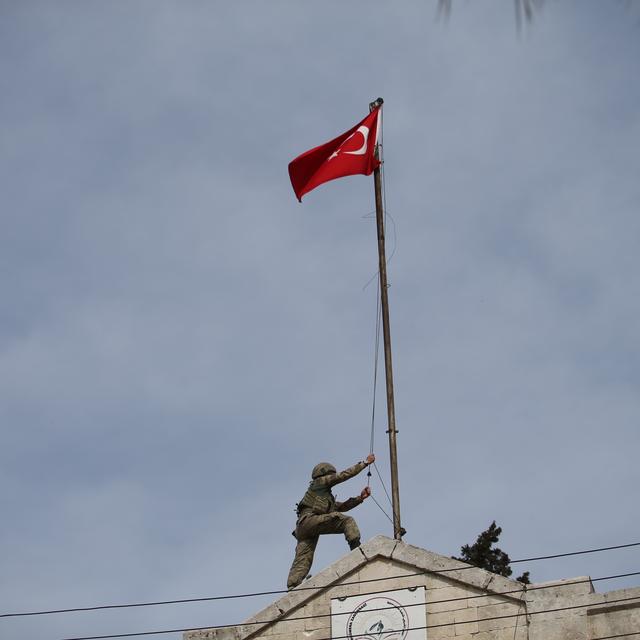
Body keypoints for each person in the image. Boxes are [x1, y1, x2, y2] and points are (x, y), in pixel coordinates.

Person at [287, 453, 375, 589]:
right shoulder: (319, 483)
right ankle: (357, 550)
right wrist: (364, 463)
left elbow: (341, 507)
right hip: (310, 520)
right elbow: (343, 475)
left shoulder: (322, 495)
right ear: (325, 474)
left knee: (304, 557)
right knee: (347, 521)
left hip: (303, 528)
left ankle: (293, 585)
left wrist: (360, 498)